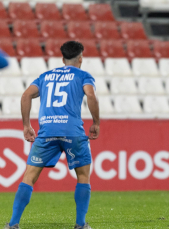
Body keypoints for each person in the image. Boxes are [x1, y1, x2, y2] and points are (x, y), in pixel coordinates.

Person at [4, 41, 100, 229]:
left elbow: (25, 96)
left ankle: (13, 224)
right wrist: (96, 122)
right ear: (81, 58)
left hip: (47, 131)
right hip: (73, 132)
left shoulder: (45, 76)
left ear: (63, 59)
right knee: (83, 176)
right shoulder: (83, 76)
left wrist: (26, 125)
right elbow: (91, 95)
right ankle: (80, 224)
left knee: (29, 177)